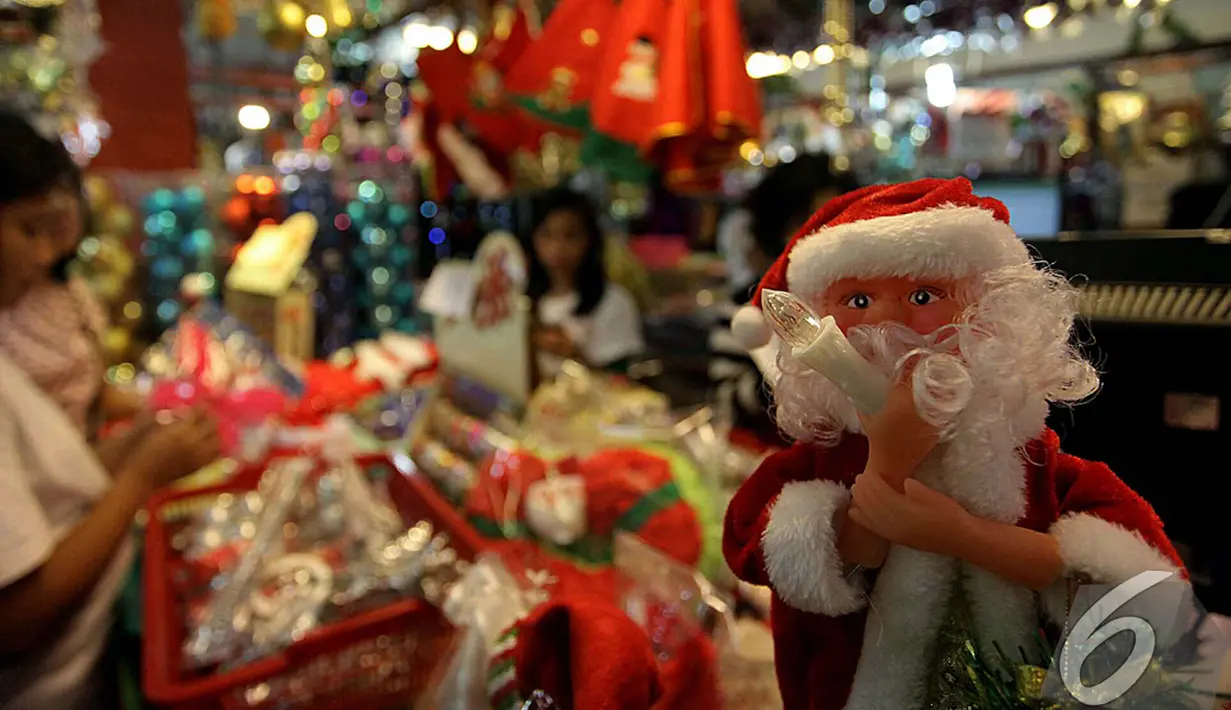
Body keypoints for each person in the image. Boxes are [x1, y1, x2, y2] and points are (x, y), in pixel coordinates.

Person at [723, 178, 1182, 710]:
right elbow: (797, 569)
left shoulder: (1040, 468)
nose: (886, 320)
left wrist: (963, 536)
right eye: (857, 299)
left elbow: (1145, 594)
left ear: (988, 312)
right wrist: (890, 460)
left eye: (923, 296)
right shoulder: (810, 470)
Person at [0, 109, 223, 709]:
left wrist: (136, 441)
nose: (46, 251)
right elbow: (17, 618)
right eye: (27, 228)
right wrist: (141, 476)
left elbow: (50, 483)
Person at [0, 111, 142, 437]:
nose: (45, 253)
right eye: (31, 229)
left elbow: (91, 395)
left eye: (58, 227)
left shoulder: (65, 292)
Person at [710, 154, 857, 438]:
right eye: (803, 222)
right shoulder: (745, 309)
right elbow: (726, 404)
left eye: (834, 219)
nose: (820, 235)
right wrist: (790, 375)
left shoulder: (869, 301)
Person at [527, 188, 645, 379]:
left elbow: (624, 383)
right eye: (547, 235)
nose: (557, 248)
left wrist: (573, 354)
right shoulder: (524, 301)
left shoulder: (614, 302)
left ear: (590, 240)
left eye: (570, 236)